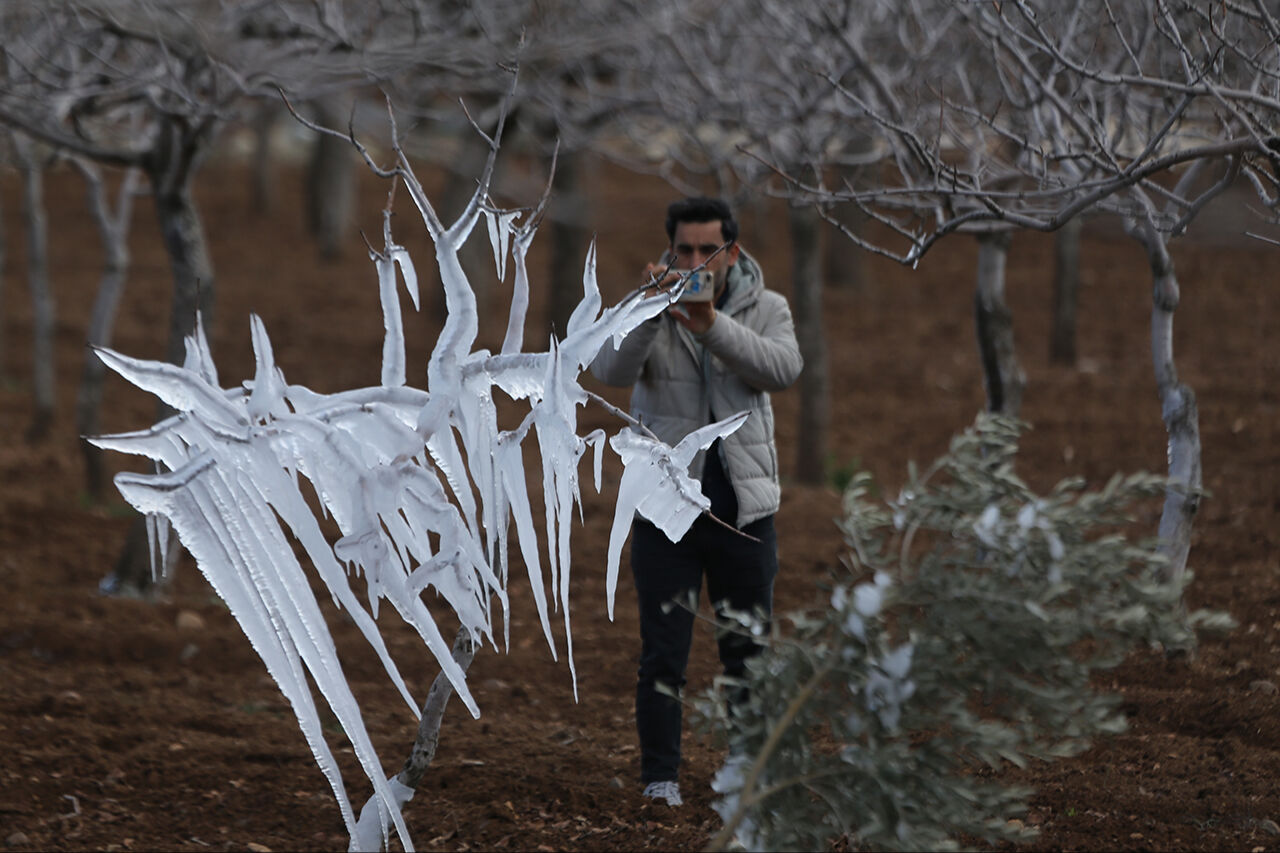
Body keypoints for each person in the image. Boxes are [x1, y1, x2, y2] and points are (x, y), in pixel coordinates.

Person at [590, 196, 804, 807]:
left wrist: (712, 325)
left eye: (707, 250)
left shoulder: (769, 308)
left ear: (732, 251)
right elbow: (607, 367)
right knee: (663, 654)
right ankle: (661, 780)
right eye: (683, 249)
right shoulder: (645, 301)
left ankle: (747, 776)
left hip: (745, 512)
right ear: (669, 247)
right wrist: (655, 311)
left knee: (748, 651)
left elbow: (784, 369)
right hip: (667, 510)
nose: (693, 260)